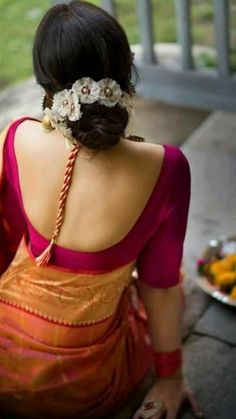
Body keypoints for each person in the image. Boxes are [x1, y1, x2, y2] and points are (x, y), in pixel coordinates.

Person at [0, 1, 203, 418]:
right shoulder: (165, 168)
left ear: (45, 85)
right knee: (177, 282)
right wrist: (169, 377)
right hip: (87, 386)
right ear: (127, 72)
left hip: (6, 357)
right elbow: (159, 286)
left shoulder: (15, 139)